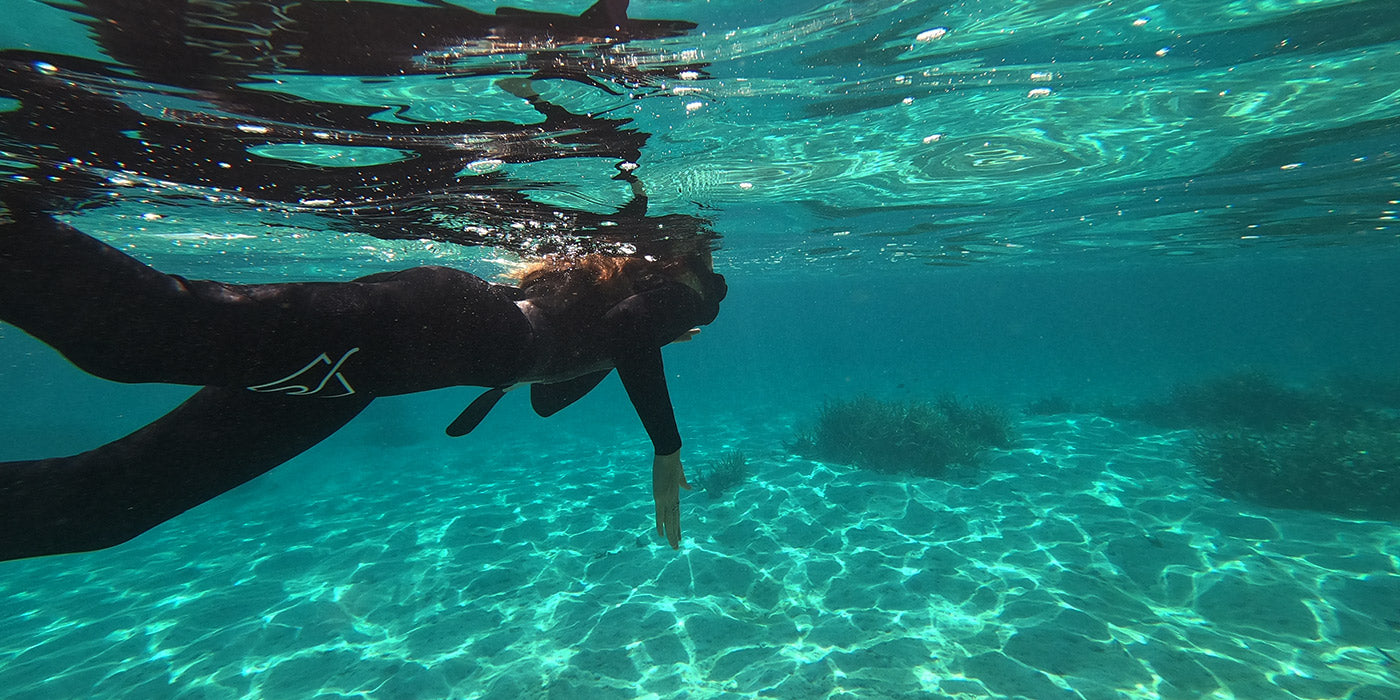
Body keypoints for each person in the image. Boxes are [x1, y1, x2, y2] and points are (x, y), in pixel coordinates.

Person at [0, 197, 726, 562]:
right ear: (689, 262)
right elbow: (625, 331)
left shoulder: (624, 303)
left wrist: (637, 342)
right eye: (711, 264)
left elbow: (547, 396)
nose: (715, 274)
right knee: (141, 337)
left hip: (394, 358)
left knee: (112, 506)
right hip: (418, 332)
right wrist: (667, 449)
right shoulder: (694, 291)